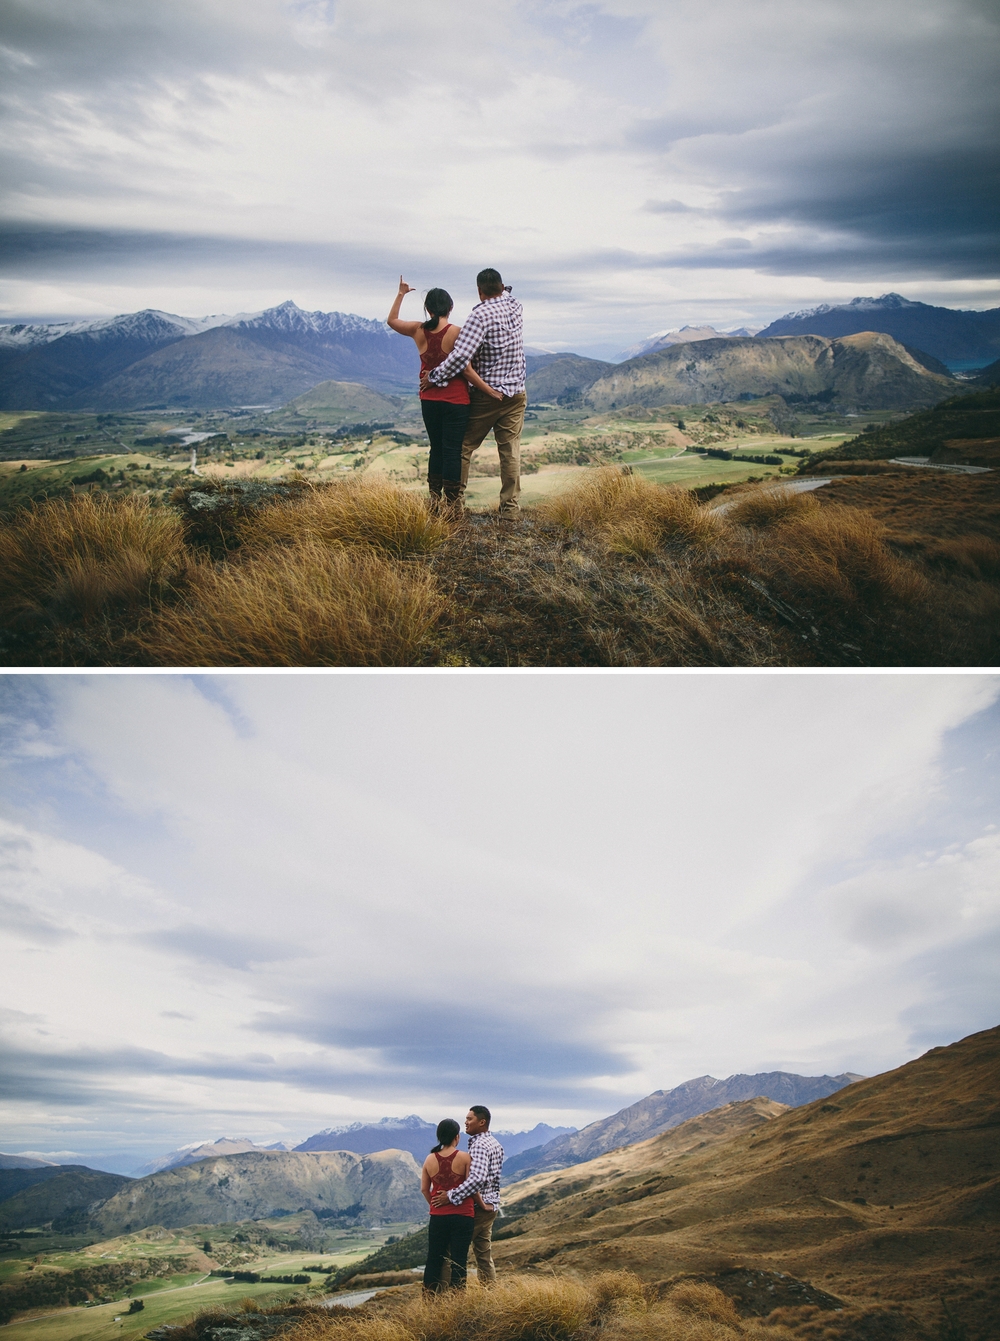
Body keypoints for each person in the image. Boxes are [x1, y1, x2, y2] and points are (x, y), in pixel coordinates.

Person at [420, 269, 526, 520]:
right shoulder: (516, 305)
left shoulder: (479, 315)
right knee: (510, 452)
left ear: (479, 292)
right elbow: (507, 294)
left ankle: (454, 505)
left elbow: (459, 358)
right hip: (516, 394)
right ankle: (510, 510)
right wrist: (504, 290)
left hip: (486, 396)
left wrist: (432, 377)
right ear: (502, 287)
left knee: (461, 448)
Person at [387, 278, 502, 510]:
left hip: (429, 401)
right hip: (456, 401)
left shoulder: (418, 330)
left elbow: (392, 321)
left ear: (428, 309)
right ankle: (452, 506)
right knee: (452, 451)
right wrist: (488, 390)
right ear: (450, 308)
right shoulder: (457, 332)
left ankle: (434, 500)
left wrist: (401, 294)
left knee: (436, 448)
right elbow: (467, 370)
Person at [430, 1105, 504, 1284]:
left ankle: (446, 1299)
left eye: (470, 1119)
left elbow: (476, 1180)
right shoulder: (495, 1143)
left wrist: (450, 1195)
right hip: (490, 1207)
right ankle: (490, 1294)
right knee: (483, 1254)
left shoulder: (479, 1145)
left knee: (450, 1252)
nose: (466, 1122)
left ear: (482, 1122)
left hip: (478, 1208)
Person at [420, 1118, 475, 1292]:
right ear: (457, 1137)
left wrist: (435, 1205)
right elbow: (471, 1187)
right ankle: (458, 1301)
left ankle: (430, 1299)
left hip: (438, 1217)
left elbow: (424, 1189)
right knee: (459, 1260)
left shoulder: (429, 1159)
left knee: (434, 1259)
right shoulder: (465, 1157)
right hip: (463, 1216)